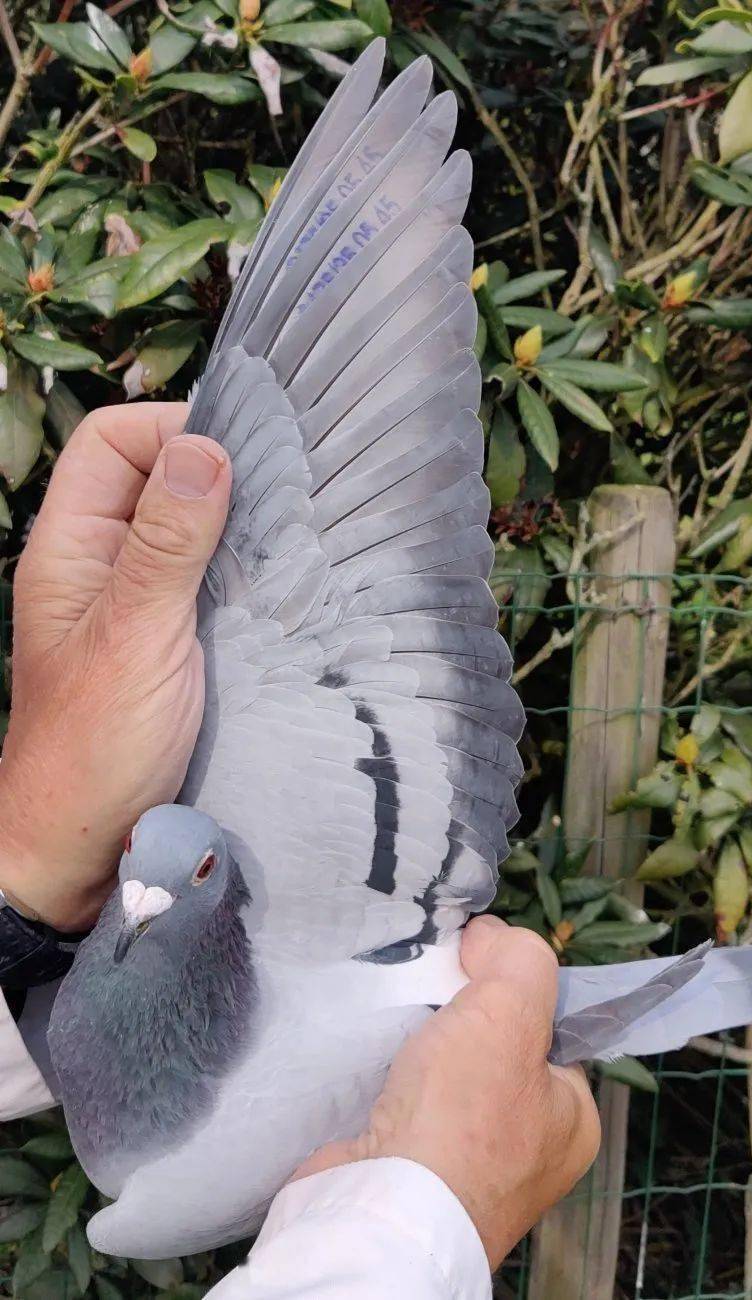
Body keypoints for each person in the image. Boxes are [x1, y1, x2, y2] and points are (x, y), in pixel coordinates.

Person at [0, 405, 600, 1298]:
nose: (139, 899)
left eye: (189, 874)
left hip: (426, 990)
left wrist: (23, 874)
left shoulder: (141, 1169)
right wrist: (432, 1210)